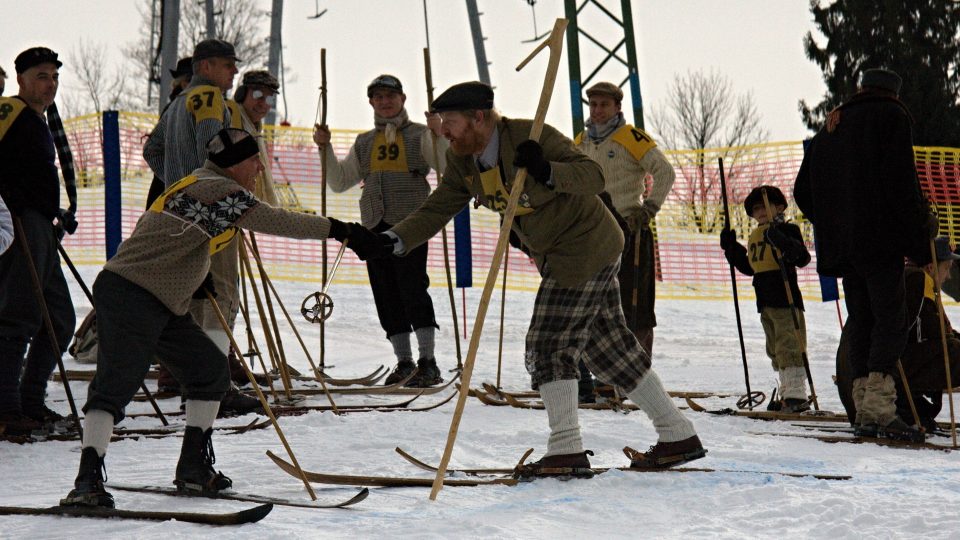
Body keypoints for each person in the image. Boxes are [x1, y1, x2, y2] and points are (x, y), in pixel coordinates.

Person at [334, 81, 704, 475]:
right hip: (557, 255)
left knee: (548, 345)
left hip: (584, 247)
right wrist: (389, 241)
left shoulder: (532, 135)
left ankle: (566, 450)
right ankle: (677, 435)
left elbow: (593, 177)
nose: (442, 130)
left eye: (450, 121)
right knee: (609, 351)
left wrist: (547, 169)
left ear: (478, 117)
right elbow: (437, 209)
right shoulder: (464, 160)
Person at [61, 128, 347, 508]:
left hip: (161, 299)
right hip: (133, 293)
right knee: (115, 385)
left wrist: (197, 275)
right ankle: (86, 482)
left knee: (210, 371)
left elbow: (173, 235)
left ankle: (193, 468)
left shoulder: (196, 183)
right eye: (253, 159)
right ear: (233, 163)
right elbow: (278, 221)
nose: (260, 166)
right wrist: (343, 230)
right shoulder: (218, 189)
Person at [794, 68, 934, 442]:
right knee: (891, 318)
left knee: (861, 319)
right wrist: (921, 244)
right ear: (894, 92)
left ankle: (861, 406)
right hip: (881, 241)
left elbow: (802, 192)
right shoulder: (892, 115)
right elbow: (902, 185)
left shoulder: (832, 125)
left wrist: (835, 222)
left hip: (843, 246)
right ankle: (879, 410)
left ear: (861, 88)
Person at [143, 40, 259, 414]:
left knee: (193, 297)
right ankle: (214, 386)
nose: (234, 72)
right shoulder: (209, 99)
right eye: (228, 65)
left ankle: (192, 380)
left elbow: (152, 150)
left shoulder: (177, 101)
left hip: (181, 213)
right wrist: (214, 191)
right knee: (220, 297)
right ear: (206, 66)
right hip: (212, 210)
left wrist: (175, 182)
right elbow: (218, 149)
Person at [312, 74, 449, 387]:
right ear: (371, 102)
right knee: (386, 293)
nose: (385, 102)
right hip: (375, 226)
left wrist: (438, 134)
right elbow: (339, 181)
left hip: (411, 224)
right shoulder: (364, 142)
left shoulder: (418, 134)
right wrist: (325, 148)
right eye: (379, 97)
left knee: (413, 289)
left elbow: (442, 165)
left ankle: (428, 360)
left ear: (403, 99)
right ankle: (404, 361)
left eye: (391, 96)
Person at [573, 81, 675, 402]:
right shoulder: (581, 141)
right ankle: (601, 376)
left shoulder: (632, 138)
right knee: (593, 305)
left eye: (604, 104)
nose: (598, 110)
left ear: (618, 107)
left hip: (629, 228)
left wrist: (649, 209)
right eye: (593, 105)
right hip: (592, 231)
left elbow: (665, 171)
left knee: (634, 306)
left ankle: (636, 377)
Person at [0, 47, 77, 435]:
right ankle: (7, 407)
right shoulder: (9, 114)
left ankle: (31, 399)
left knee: (60, 319)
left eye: (54, 77)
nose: (50, 84)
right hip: (20, 222)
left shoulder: (39, 119)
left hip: (42, 225)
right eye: (42, 76)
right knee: (19, 316)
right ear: (22, 80)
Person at [836, 237, 960, 432]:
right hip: (871, 389)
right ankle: (901, 408)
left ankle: (910, 409)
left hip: (858, 389)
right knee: (954, 354)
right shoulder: (917, 281)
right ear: (930, 267)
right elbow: (934, 336)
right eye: (947, 267)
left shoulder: (904, 277)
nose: (948, 277)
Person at [720, 186, 812, 412]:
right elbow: (751, 267)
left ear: (779, 207)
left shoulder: (786, 229)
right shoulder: (756, 235)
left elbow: (802, 258)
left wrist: (781, 240)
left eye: (765, 206)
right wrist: (731, 248)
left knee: (789, 343)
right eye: (756, 208)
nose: (760, 211)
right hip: (765, 301)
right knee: (774, 348)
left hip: (785, 298)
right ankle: (786, 390)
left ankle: (796, 394)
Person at [226, 70, 281, 206]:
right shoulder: (231, 121)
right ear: (242, 94)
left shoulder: (256, 131)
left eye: (269, 99)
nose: (263, 104)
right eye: (258, 95)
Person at [145, 56, 194, 208]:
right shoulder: (175, 110)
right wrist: (174, 179)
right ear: (185, 82)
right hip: (169, 194)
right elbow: (152, 151)